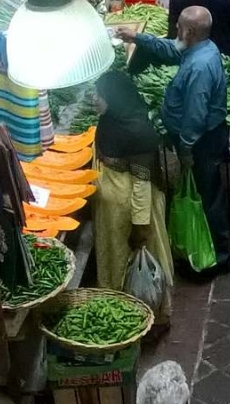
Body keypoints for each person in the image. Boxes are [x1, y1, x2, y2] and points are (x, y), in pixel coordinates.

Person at [123, 7, 230, 271]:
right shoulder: (199, 47)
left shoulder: (200, 65)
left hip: (202, 142)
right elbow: (172, 49)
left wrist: (186, 147)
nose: (176, 31)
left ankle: (217, 257)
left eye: (180, 27)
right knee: (202, 192)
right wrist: (137, 38)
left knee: (207, 196)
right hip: (200, 139)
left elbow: (196, 114)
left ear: (190, 32)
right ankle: (206, 250)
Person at [93, 71, 174, 321]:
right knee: (116, 265)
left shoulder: (137, 131)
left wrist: (140, 228)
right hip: (113, 215)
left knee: (139, 267)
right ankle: (121, 312)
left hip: (133, 215)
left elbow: (142, 184)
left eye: (100, 94)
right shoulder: (112, 121)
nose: (94, 99)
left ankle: (148, 317)